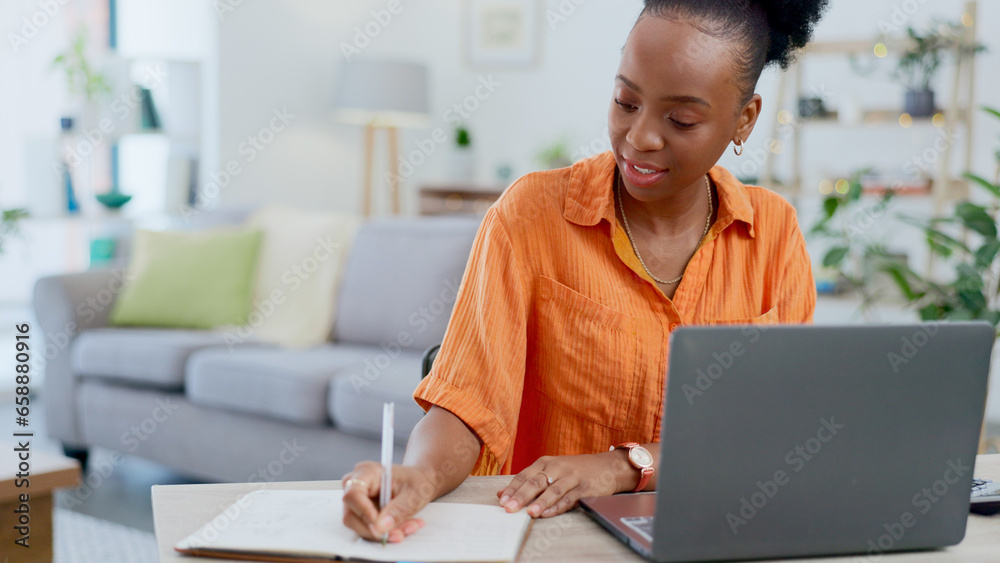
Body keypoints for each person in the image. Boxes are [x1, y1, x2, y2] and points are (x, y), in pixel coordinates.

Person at [342, 0, 828, 543]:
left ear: (745, 119)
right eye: (626, 101)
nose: (640, 137)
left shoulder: (774, 232)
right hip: (549, 537)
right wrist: (419, 476)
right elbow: (467, 404)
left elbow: (773, 435)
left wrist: (623, 466)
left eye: (681, 119)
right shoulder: (529, 216)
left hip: (718, 534)